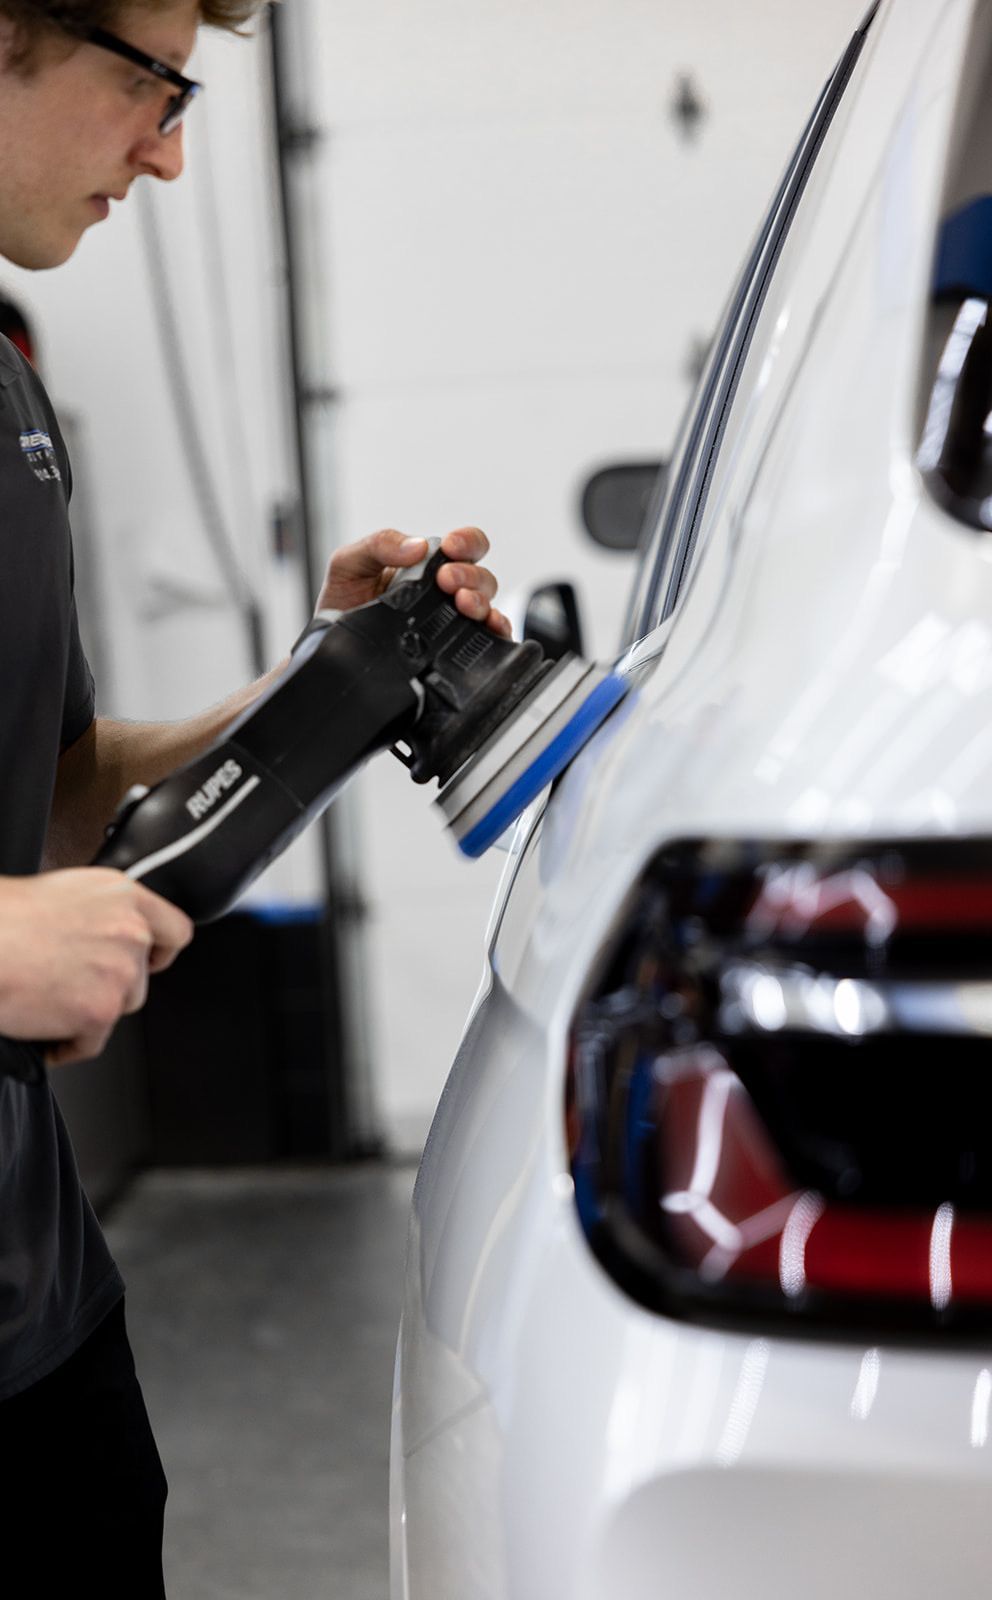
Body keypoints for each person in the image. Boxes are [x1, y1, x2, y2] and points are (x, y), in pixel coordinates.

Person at [0, 2, 508, 1590]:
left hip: (39, 1322)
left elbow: (56, 805)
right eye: (152, 87)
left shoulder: (12, 390)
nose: (163, 153)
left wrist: (322, 686)